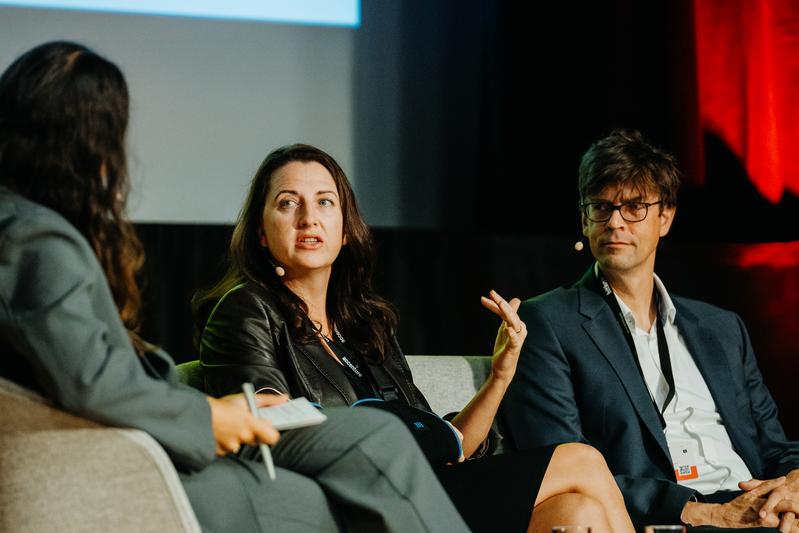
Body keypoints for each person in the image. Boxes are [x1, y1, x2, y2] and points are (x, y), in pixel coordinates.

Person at [0, 41, 474, 533]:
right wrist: (211, 416)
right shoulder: (37, 239)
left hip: (136, 450)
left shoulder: (23, 229)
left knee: (340, 480)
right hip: (124, 463)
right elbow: (94, 382)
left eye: (326, 203)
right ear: (85, 143)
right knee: (373, 443)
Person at [193, 143, 636, 533]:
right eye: (289, 203)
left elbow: (450, 444)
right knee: (580, 459)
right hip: (354, 501)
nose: (309, 217)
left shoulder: (367, 325)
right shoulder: (245, 310)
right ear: (260, 232)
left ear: (345, 229)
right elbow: (263, 426)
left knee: (576, 513)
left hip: (422, 486)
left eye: (325, 202)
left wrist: (500, 374)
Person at [499, 130, 799, 531]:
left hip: (758, 507)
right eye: (601, 207)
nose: (615, 222)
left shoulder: (722, 328)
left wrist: (792, 489)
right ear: (585, 219)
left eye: (634, 207)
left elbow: (776, 449)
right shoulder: (548, 321)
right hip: (667, 516)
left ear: (666, 217)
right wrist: (705, 513)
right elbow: (558, 463)